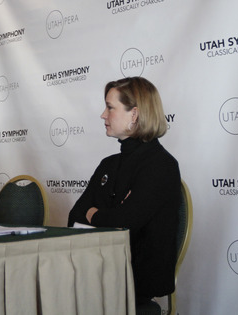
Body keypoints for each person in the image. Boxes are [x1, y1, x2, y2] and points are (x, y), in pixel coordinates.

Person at [67, 77, 181, 303]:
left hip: (134, 283)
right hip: (95, 275)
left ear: (135, 115)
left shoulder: (161, 165)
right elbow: (74, 216)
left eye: (110, 107)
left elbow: (124, 223)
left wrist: (95, 213)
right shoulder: (108, 164)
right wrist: (111, 214)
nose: (102, 115)